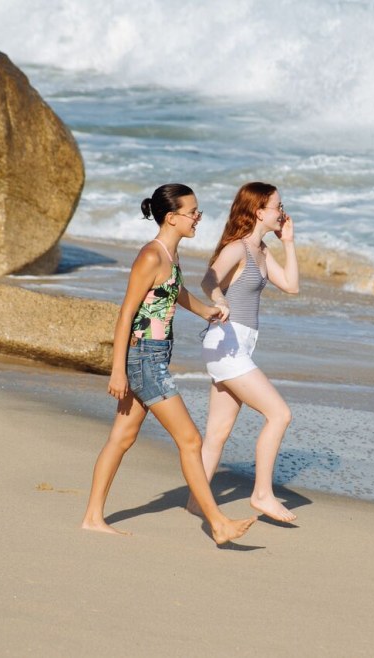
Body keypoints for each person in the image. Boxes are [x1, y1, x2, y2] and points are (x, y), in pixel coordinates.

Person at [81, 184, 256, 545]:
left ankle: (92, 517)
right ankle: (218, 523)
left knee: (121, 437)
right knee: (190, 440)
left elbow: (174, 292)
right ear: (172, 217)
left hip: (154, 356)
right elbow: (126, 314)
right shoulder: (151, 256)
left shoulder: (170, 255)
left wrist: (207, 311)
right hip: (145, 359)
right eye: (193, 212)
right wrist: (117, 370)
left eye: (198, 211)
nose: (198, 218)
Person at [194, 182, 299, 522]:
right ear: (259, 211)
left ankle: (195, 502)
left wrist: (288, 242)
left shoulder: (262, 251)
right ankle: (262, 494)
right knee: (279, 414)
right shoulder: (237, 248)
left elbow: (292, 286)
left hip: (237, 345)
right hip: (227, 343)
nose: (282, 212)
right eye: (277, 206)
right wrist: (219, 299)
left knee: (217, 433)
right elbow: (208, 280)